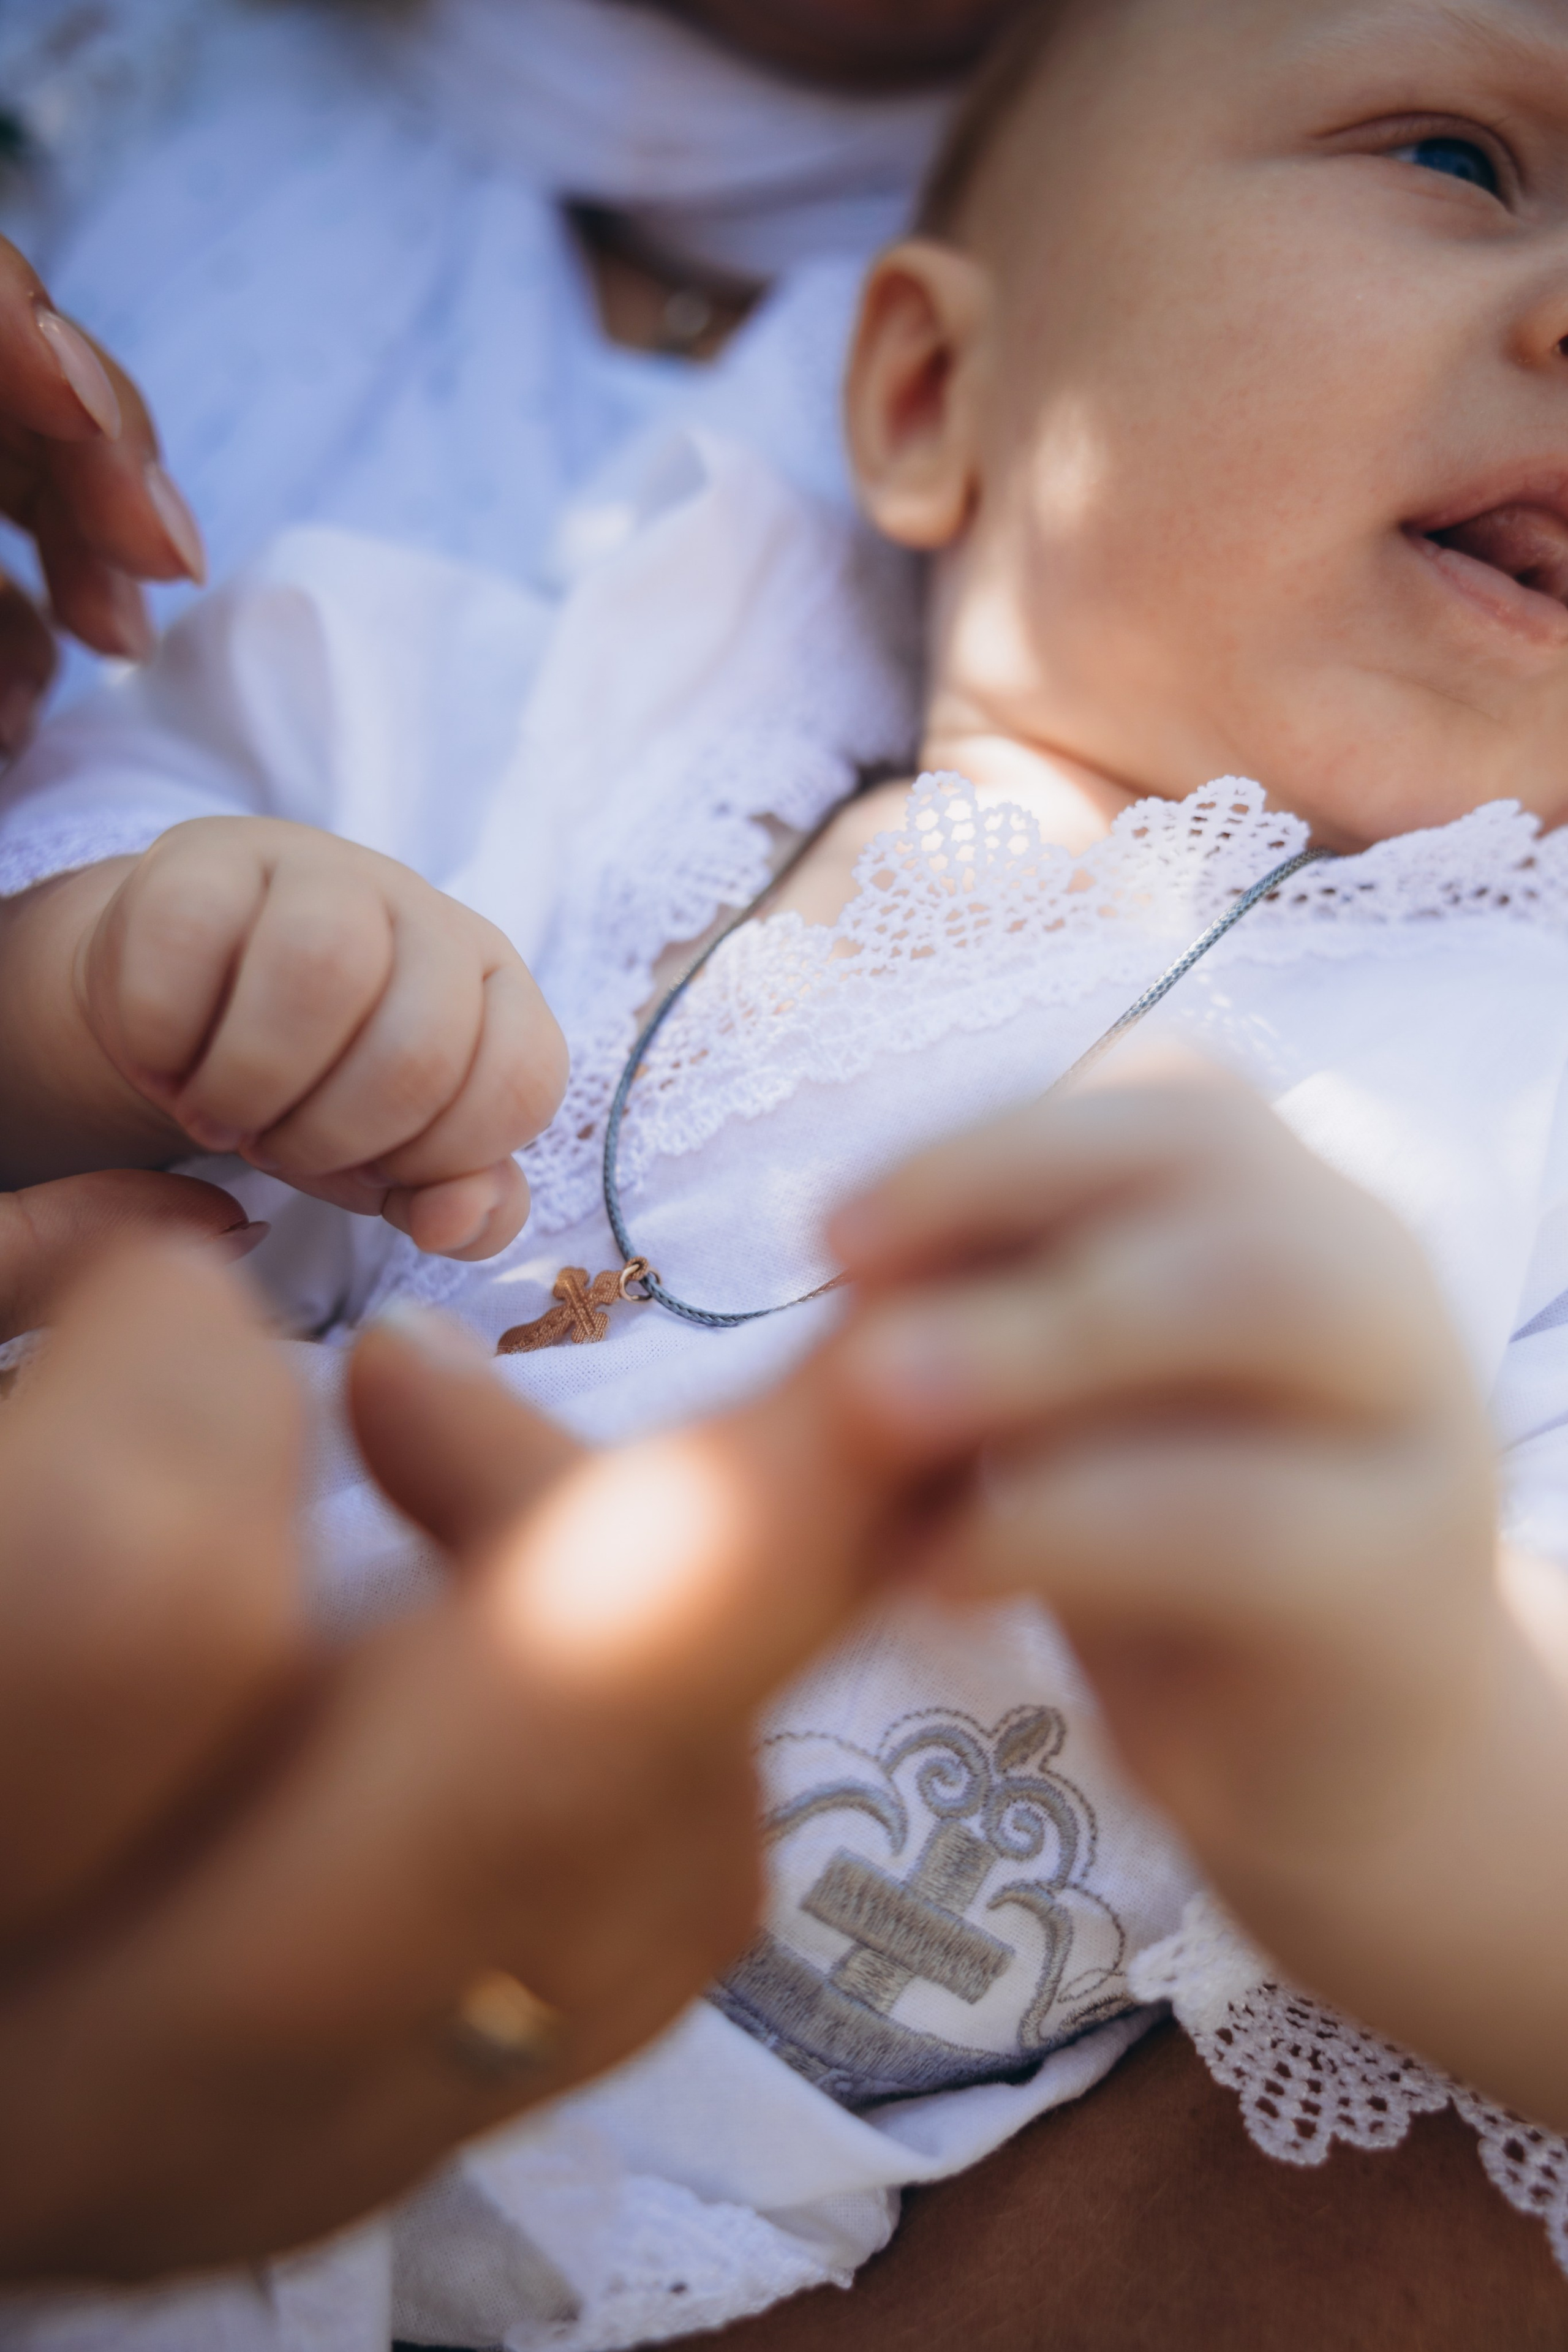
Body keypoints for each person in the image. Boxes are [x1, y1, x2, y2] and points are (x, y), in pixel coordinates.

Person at [9, 2, 1568, 2348]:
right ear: (936, 401)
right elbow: (97, 864)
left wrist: (1401, 1738)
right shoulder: (583, 707)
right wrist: (154, 960)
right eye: (1459, 156)